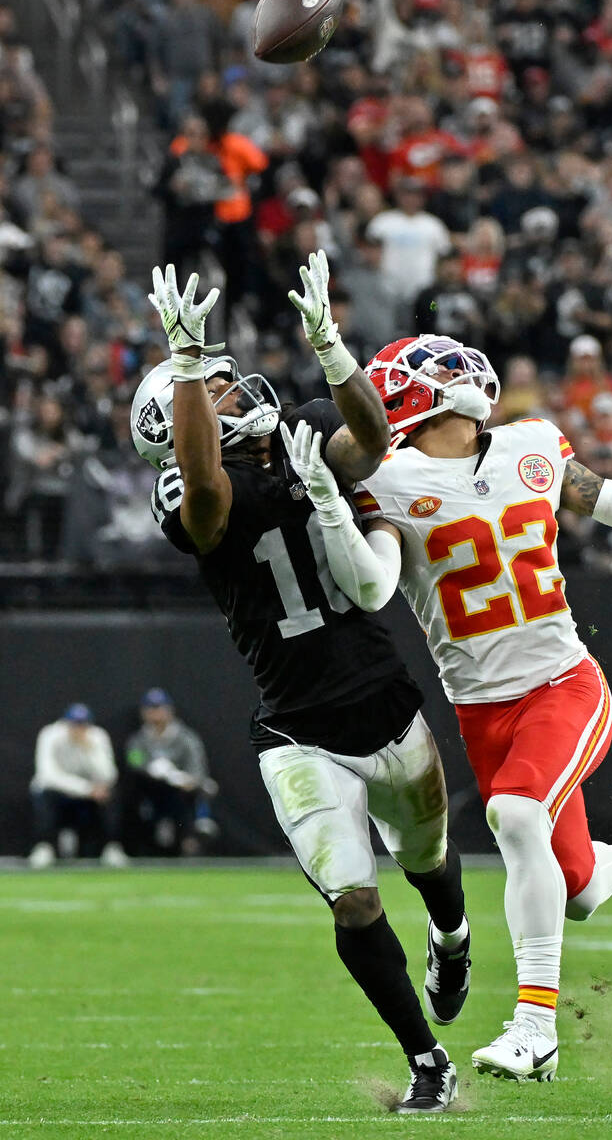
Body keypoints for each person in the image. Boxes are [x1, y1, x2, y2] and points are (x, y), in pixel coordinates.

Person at [279, 332, 612, 1084]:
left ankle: (536, 1028)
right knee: (575, 891)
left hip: (563, 684)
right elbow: (375, 587)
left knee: (516, 816)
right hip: (482, 712)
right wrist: (328, 509)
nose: (457, 374)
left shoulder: (530, 445)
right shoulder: (389, 480)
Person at [129, 257, 468, 1113]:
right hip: (296, 728)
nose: (234, 390)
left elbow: (372, 439)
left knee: (429, 863)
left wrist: (332, 349)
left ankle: (452, 935)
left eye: (222, 383)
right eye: (212, 391)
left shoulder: (301, 430)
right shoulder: (186, 488)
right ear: (178, 422)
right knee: (354, 902)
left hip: (382, 696)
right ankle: (427, 1060)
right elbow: (207, 496)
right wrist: (185, 364)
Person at [29, 703, 127, 868]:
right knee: (43, 793)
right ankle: (44, 847)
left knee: (111, 794)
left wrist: (89, 749)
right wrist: (87, 789)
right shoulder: (50, 735)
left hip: (88, 798)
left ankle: (111, 848)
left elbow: (109, 775)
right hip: (60, 794)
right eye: (74, 724)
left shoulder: (97, 736)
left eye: (82, 724)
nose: (78, 728)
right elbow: (47, 775)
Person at [124, 687, 217, 855]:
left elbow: (197, 768)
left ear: (169, 710)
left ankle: (198, 827)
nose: (155, 713)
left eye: (159, 708)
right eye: (151, 709)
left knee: (201, 790)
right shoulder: (138, 739)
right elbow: (134, 762)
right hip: (151, 789)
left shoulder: (186, 738)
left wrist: (185, 779)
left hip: (180, 792)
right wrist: (152, 769)